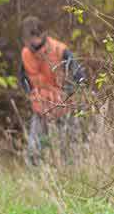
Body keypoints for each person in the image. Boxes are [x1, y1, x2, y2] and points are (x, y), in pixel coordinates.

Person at [19, 16, 88, 163]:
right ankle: (36, 178)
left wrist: (69, 94)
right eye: (29, 37)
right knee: (34, 150)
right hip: (40, 107)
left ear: (43, 33)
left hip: (63, 105)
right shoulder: (25, 54)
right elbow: (23, 79)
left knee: (69, 148)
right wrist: (31, 94)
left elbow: (78, 75)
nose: (33, 41)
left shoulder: (59, 49)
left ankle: (71, 171)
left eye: (35, 35)